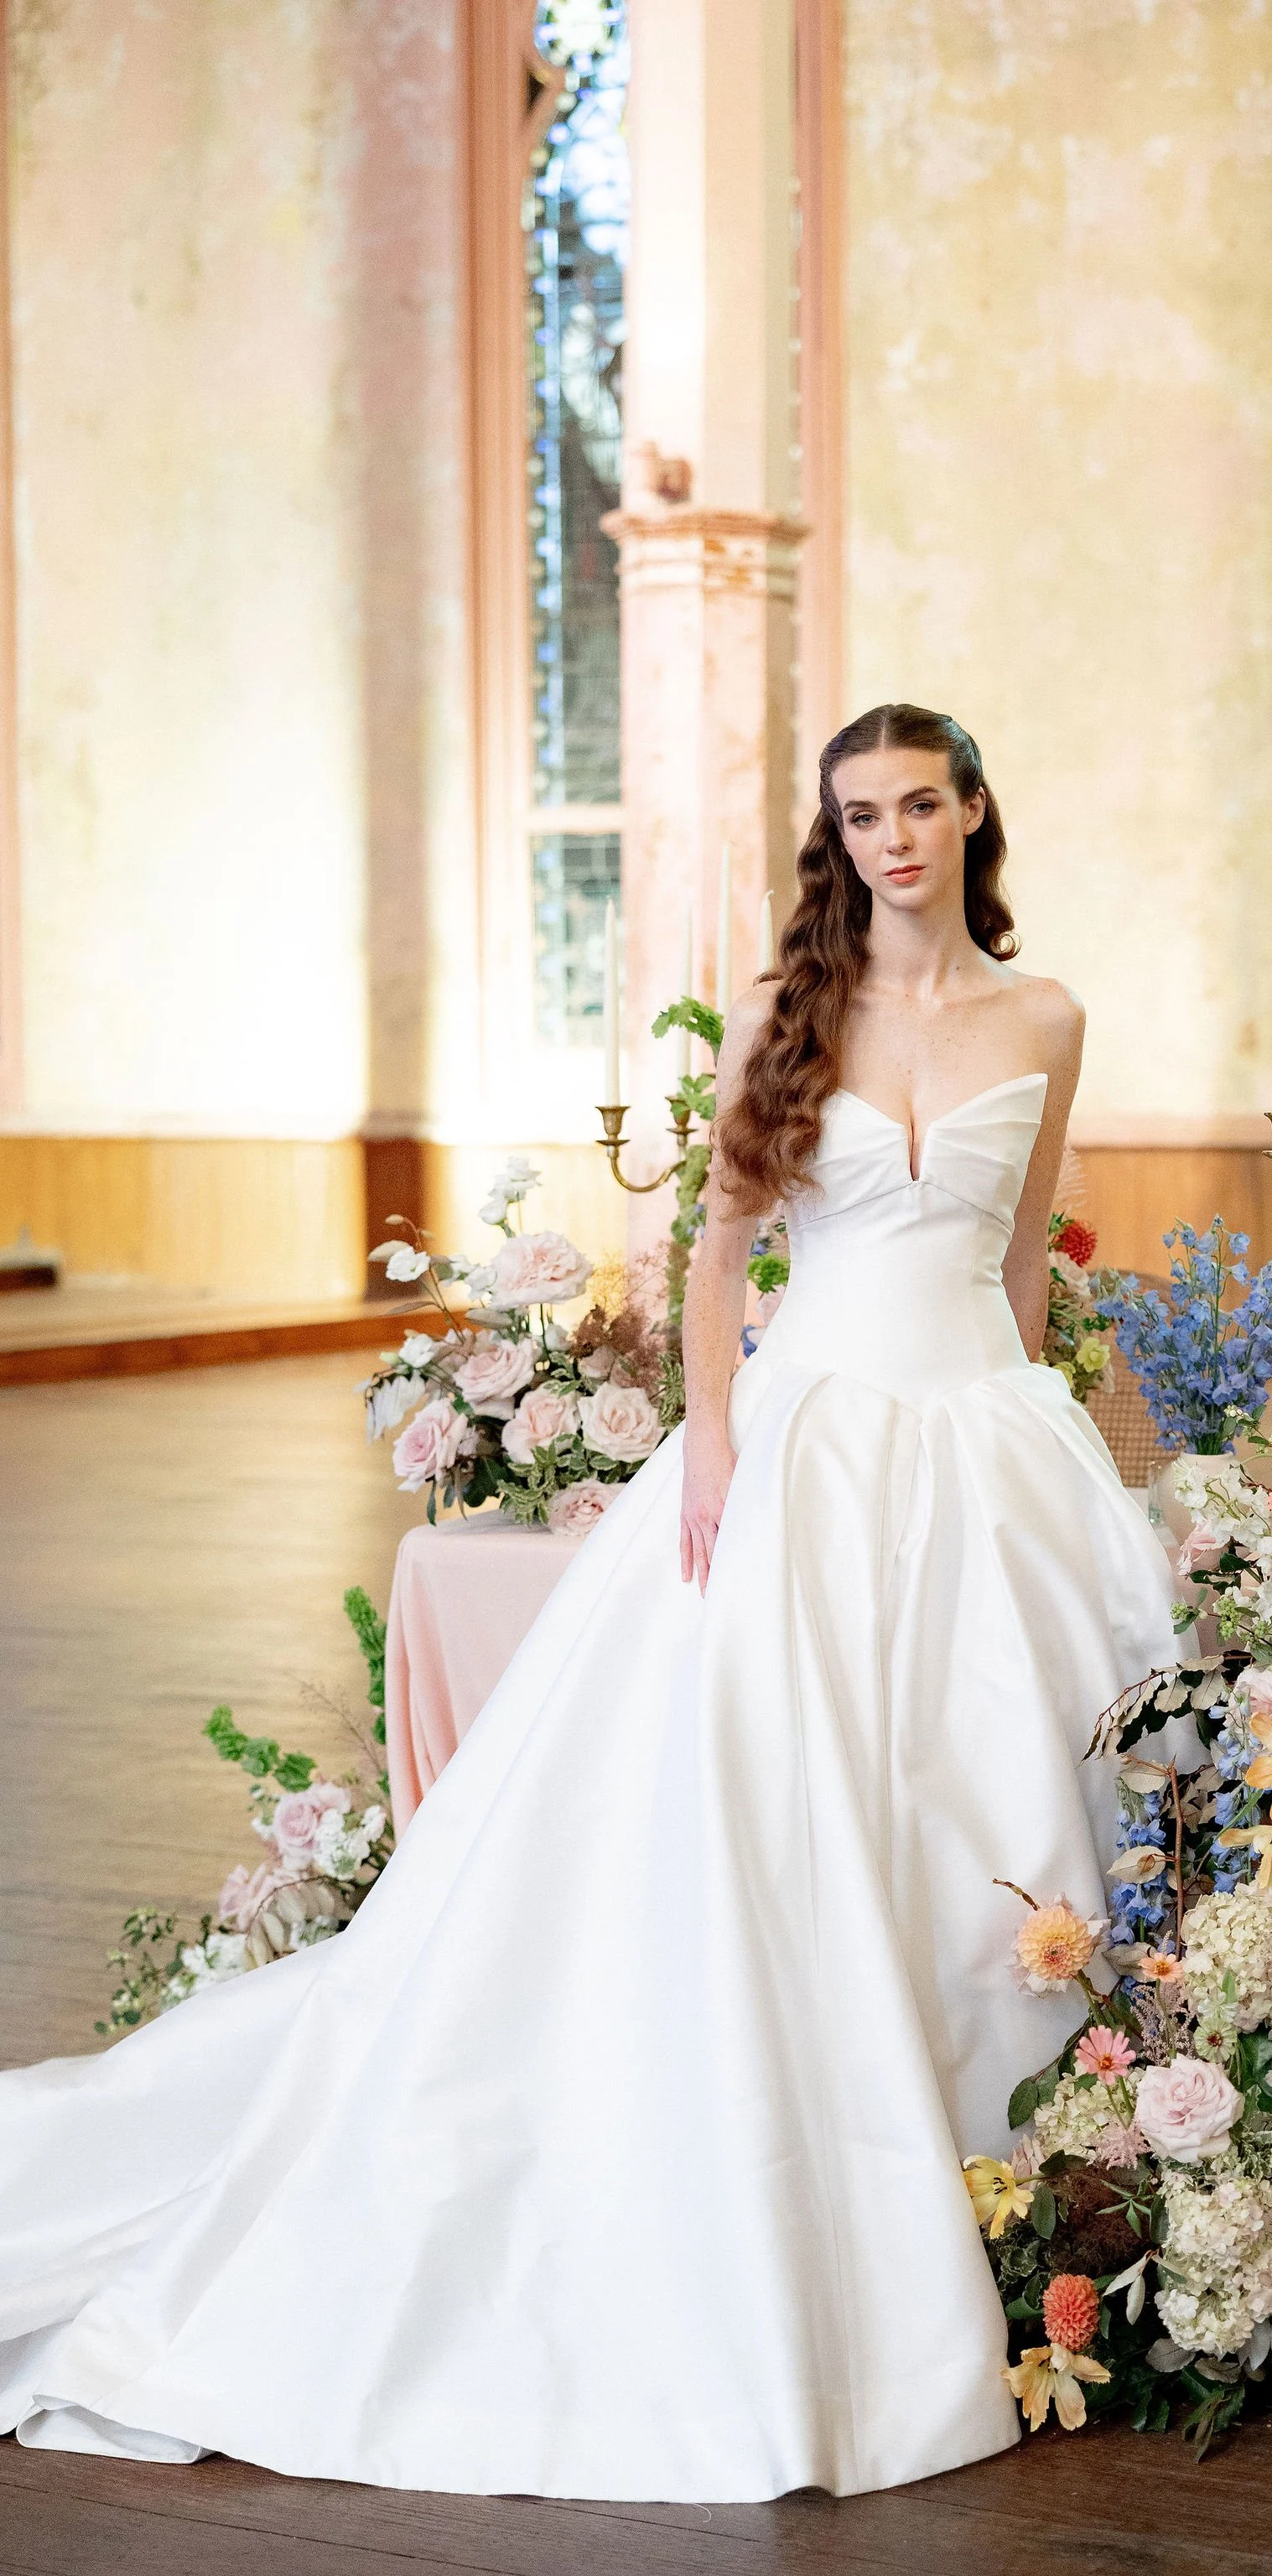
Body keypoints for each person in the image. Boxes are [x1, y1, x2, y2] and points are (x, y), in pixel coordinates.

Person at [0, 703, 1181, 2500]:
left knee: (991, 1791)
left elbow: (1018, 1256)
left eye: (919, 805)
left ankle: (1015, 2161)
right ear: (834, 835)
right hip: (802, 1446)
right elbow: (715, 1258)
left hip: (985, 1445)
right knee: (781, 1803)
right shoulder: (797, 1021)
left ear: (971, 811)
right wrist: (713, 1448)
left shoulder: (1048, 1016)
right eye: (859, 814)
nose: (893, 839)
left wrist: (1059, 1458)